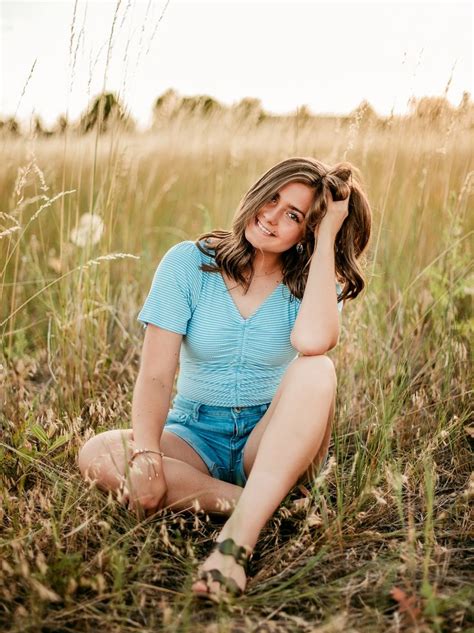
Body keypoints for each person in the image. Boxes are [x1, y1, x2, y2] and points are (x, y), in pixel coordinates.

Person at [78, 156, 372, 602]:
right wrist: (147, 455)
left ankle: (234, 545)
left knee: (316, 369)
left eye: (293, 215)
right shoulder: (189, 264)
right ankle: (261, 505)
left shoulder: (312, 281)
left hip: (272, 439)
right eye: (272, 198)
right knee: (98, 453)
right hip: (194, 435)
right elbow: (156, 375)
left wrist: (329, 231)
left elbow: (314, 341)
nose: (271, 217)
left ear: (307, 231)